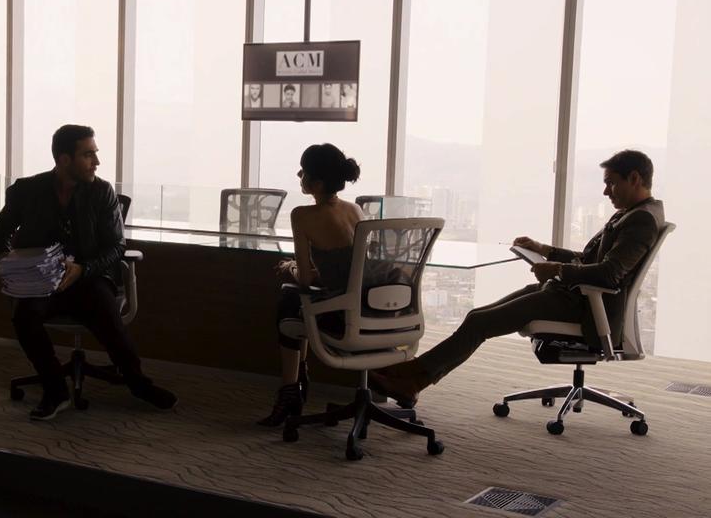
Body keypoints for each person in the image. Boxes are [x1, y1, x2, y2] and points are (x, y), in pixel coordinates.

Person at [368, 150, 665, 406]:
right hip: (571, 295)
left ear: (635, 178)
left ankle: (412, 380)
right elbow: (590, 259)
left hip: (584, 306)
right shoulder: (633, 213)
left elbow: (610, 274)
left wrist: (557, 270)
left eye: (611, 183)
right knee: (477, 315)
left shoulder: (639, 221)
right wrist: (544, 250)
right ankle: (410, 375)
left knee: (479, 323)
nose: (605, 192)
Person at [0, 124, 177, 421]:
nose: (96, 162)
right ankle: (55, 389)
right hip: (43, 280)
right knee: (23, 317)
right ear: (64, 159)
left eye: (95, 154)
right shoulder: (28, 190)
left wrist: (83, 268)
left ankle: (138, 384)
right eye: (88, 154)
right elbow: (0, 231)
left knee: (107, 314)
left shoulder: (101, 192)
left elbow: (117, 246)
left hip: (88, 277)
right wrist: (5, 261)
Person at [258, 143, 364, 426]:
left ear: (316, 182)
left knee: (289, 299)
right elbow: (349, 269)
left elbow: (304, 279)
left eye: (302, 171)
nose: (298, 174)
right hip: (368, 309)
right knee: (294, 300)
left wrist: (290, 266)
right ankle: (296, 384)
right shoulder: (355, 210)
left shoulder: (302, 215)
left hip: (342, 316)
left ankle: (290, 389)